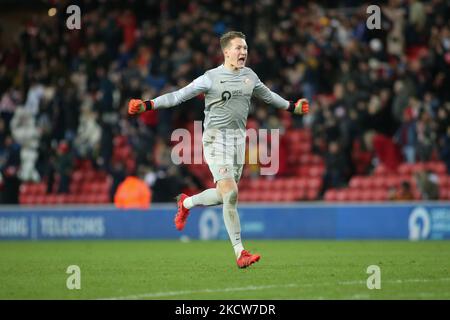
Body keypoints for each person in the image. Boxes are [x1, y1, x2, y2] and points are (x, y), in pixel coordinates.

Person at [128, 31, 309, 268]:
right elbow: (178, 96)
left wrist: (292, 107)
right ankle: (240, 252)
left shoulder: (250, 77)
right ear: (226, 52)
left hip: (238, 142)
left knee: (226, 194)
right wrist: (148, 105)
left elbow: (268, 96)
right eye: (238, 48)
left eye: (245, 48)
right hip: (215, 141)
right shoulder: (210, 78)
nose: (243, 52)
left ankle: (186, 203)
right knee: (231, 194)